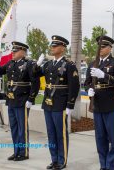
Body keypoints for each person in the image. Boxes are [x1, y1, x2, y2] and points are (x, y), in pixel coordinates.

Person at [33, 35, 79, 170]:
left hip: (60, 103)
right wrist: (37, 64)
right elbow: (35, 75)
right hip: (48, 102)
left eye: (55, 46)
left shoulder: (69, 65)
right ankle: (54, 160)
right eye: (52, 45)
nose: (52, 48)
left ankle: (62, 160)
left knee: (61, 133)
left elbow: (74, 86)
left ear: (63, 48)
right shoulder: (48, 64)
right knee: (51, 133)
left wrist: (70, 104)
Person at [0, 41, 40, 161]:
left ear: (23, 52)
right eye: (13, 50)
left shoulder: (29, 63)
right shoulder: (10, 63)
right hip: (11, 100)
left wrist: (31, 98)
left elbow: (35, 82)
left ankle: (23, 152)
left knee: (22, 128)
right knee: (13, 127)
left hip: (22, 100)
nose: (12, 53)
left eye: (15, 51)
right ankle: (16, 151)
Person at [84, 35, 114, 170]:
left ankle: (110, 166)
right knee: (100, 138)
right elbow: (87, 83)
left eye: (103, 46)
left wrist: (104, 75)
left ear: (110, 48)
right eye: (99, 46)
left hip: (112, 104)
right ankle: (103, 165)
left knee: (113, 139)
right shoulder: (93, 64)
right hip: (97, 105)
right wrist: (89, 90)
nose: (100, 49)